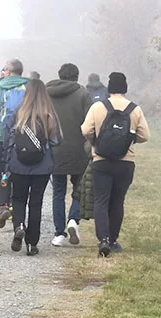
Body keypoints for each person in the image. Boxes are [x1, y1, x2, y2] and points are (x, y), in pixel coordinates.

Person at [81, 72, 151, 256]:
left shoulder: (98, 107)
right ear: (125, 88)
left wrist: (95, 142)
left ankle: (103, 239)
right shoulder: (135, 109)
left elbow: (85, 130)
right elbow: (145, 135)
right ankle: (113, 240)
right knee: (118, 201)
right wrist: (129, 140)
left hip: (101, 160)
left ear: (109, 88)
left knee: (101, 200)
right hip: (125, 162)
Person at [3, 79, 60, 256]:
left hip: (19, 165)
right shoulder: (49, 114)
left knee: (18, 199)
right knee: (36, 203)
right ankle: (32, 243)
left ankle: (19, 226)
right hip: (42, 166)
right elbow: (57, 140)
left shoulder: (18, 113)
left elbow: (8, 138)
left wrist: (6, 162)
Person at [47, 63, 93, 247]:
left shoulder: (47, 93)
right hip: (79, 150)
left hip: (54, 150)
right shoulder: (83, 94)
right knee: (79, 190)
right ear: (77, 76)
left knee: (58, 192)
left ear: (59, 75)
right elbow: (90, 123)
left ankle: (59, 234)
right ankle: (73, 220)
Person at [0, 58, 29, 224]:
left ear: (8, 72)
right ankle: (17, 208)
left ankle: (3, 205)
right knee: (20, 173)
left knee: (2, 171)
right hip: (25, 136)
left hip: (2, 136)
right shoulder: (28, 87)